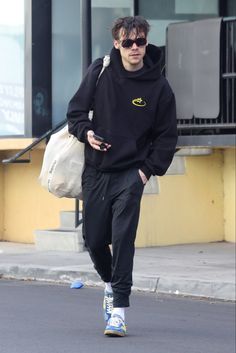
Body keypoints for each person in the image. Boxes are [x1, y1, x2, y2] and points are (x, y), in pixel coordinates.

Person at [67, 16, 178, 337]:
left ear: (146, 43)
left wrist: (146, 171)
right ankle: (109, 284)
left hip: (132, 173)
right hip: (97, 171)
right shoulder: (99, 72)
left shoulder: (159, 86)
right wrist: (86, 133)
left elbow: (167, 136)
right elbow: (75, 113)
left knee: (124, 239)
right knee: (94, 239)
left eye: (140, 41)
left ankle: (119, 312)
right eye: (127, 42)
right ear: (117, 43)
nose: (135, 48)